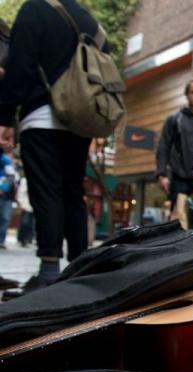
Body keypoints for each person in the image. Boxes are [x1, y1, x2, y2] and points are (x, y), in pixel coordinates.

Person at [0, 0, 106, 293]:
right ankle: (79, 269)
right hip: (80, 119)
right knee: (73, 191)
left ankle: (48, 271)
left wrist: (6, 117)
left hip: (42, 114)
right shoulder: (87, 18)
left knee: (46, 191)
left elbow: (20, 64)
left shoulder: (35, 9)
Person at [155, 79, 193, 220]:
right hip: (179, 178)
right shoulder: (174, 120)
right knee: (178, 219)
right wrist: (161, 174)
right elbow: (163, 147)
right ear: (186, 94)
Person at [0, 150, 16, 249]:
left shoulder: (5, 160)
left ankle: (1, 240)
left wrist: (3, 188)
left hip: (6, 195)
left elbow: (11, 177)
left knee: (5, 217)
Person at [16, 175, 35, 247]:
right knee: (25, 222)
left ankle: (28, 239)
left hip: (35, 206)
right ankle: (22, 239)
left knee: (32, 224)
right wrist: (23, 204)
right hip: (26, 205)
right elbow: (20, 193)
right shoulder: (25, 180)